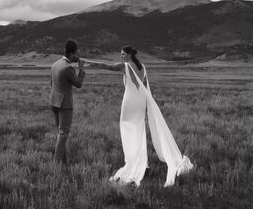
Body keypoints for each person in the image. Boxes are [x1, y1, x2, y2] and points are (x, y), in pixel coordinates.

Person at [85, 45, 193, 187]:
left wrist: (86, 61)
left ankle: (135, 163)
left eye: (123, 54)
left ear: (129, 55)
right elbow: (144, 87)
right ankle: (141, 162)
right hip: (140, 102)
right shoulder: (142, 67)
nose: (121, 56)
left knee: (128, 131)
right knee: (138, 131)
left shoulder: (125, 66)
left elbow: (106, 66)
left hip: (130, 102)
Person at [49, 39, 85, 165]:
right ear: (71, 53)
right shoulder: (68, 68)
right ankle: (56, 163)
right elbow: (78, 84)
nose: (78, 56)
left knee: (60, 133)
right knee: (63, 133)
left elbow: (51, 83)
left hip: (54, 102)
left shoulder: (55, 65)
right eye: (77, 54)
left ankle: (63, 161)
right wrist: (81, 70)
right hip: (65, 104)